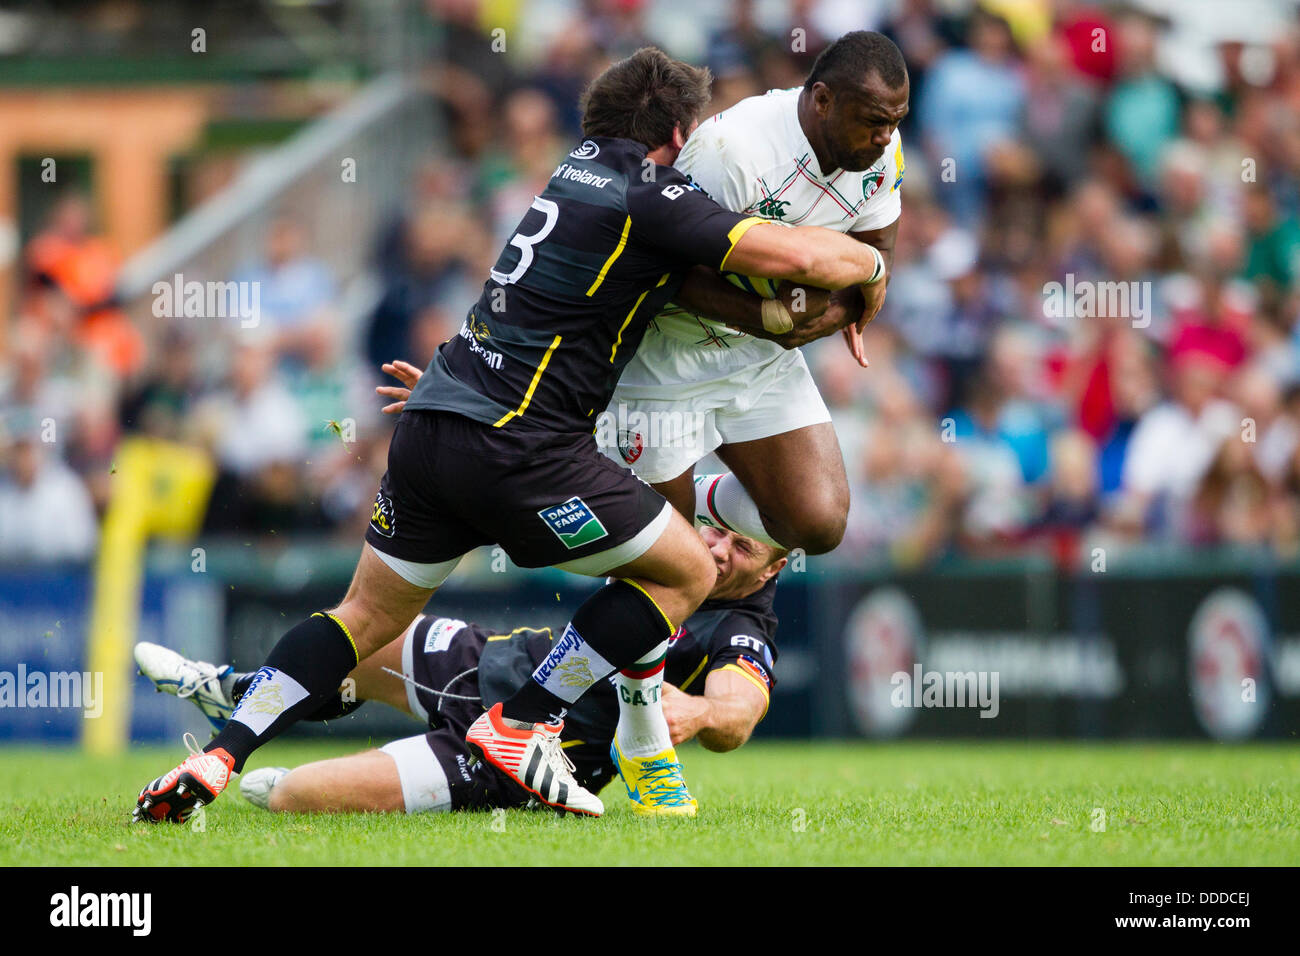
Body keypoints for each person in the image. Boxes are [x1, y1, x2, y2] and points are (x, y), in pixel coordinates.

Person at [132, 47, 889, 823]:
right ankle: (523, 725)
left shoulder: (570, 173)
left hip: (436, 422)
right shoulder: (654, 190)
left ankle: (221, 754)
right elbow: (794, 251)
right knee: (685, 572)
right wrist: (871, 261)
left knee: (361, 617)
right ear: (676, 130)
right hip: (521, 447)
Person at [134, 525, 784, 816]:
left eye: (742, 547)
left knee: (291, 799)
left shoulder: (741, 628)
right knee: (357, 632)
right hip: (492, 661)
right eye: (715, 531)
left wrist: (698, 712)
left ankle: (262, 743)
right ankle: (236, 696)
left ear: (774, 567)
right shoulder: (675, 546)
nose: (717, 550)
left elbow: (738, 711)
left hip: (529, 760)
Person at [603, 31, 909, 557]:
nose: (886, 138)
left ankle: (699, 496)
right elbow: (663, 270)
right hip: (666, 351)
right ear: (823, 100)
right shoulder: (733, 151)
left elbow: (876, 249)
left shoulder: (882, 150)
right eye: (875, 121)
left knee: (817, 525)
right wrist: (767, 315)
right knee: (663, 567)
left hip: (761, 355)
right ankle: (646, 497)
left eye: (896, 122)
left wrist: (830, 314)